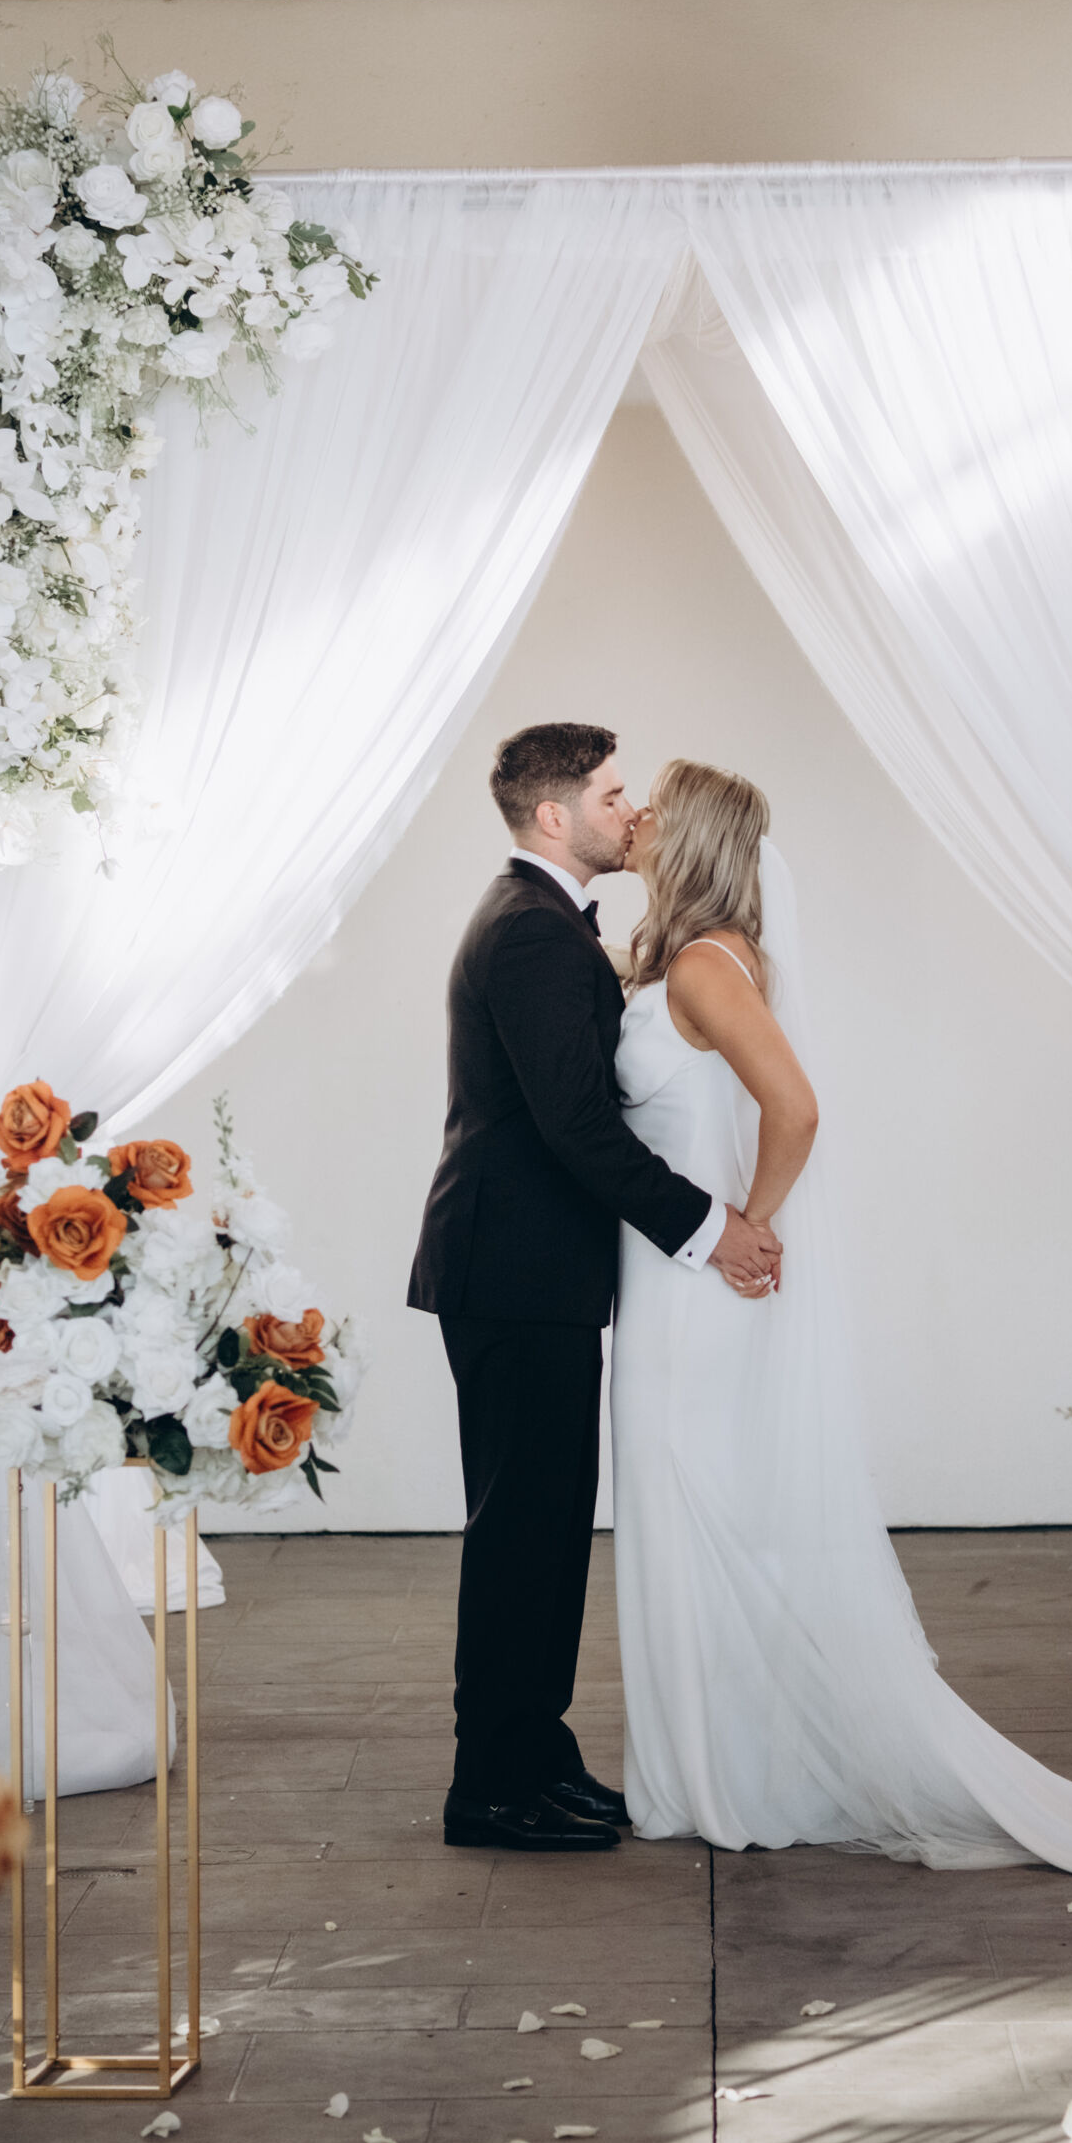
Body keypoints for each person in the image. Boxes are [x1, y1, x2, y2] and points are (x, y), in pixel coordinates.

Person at [608, 757, 1072, 1897]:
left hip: (695, 1293)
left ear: (694, 839)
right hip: (677, 1280)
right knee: (702, 1515)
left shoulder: (708, 967)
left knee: (695, 1511)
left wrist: (747, 1225)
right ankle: (729, 1762)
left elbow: (796, 1109)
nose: (639, 817)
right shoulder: (705, 958)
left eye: (657, 806)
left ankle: (725, 1776)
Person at [409, 723, 782, 1853]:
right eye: (613, 796)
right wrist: (712, 1228)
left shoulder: (551, 919)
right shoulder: (531, 929)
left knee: (547, 1530)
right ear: (554, 816)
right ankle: (490, 1786)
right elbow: (576, 1127)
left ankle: (537, 1753)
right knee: (522, 1534)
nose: (631, 813)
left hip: (535, 1276)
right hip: (514, 1275)